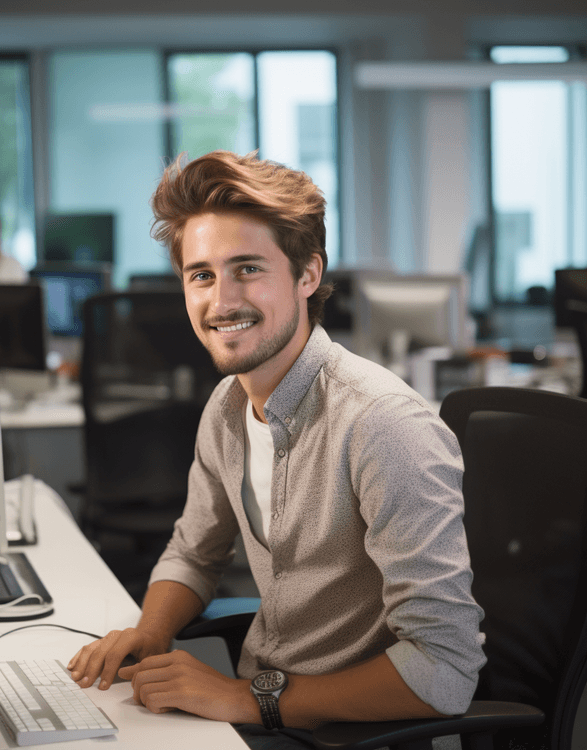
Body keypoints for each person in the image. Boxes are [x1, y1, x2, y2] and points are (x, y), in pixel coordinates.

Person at [67, 151, 486, 749]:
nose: (221, 302)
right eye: (202, 275)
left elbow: (445, 671)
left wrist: (247, 698)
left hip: (355, 733)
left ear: (307, 275)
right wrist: (151, 632)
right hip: (259, 715)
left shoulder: (383, 426)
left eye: (247, 269)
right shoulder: (228, 408)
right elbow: (193, 552)